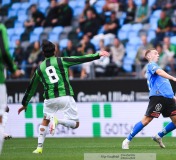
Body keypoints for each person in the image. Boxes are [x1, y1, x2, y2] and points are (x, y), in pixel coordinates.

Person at [18, 40, 109, 154]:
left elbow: (31, 87)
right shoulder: (61, 61)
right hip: (65, 96)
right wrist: (97, 55)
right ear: (55, 50)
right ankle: (57, 121)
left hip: (50, 99)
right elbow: (80, 59)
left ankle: (39, 148)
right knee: (76, 124)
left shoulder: (39, 68)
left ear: (43, 53)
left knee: (45, 121)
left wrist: (24, 103)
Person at [122, 48, 176, 149]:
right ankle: (127, 140)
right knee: (146, 120)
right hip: (158, 97)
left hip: (168, 99)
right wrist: (173, 78)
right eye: (155, 53)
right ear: (149, 56)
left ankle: (158, 136)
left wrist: (175, 99)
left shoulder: (159, 69)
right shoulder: (151, 65)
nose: (158, 55)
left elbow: (165, 85)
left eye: (158, 53)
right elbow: (160, 73)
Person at [0, 23, 23, 154]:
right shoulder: (1, 28)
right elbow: (4, 52)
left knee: (5, 109)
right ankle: (1, 131)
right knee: (3, 112)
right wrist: (13, 69)